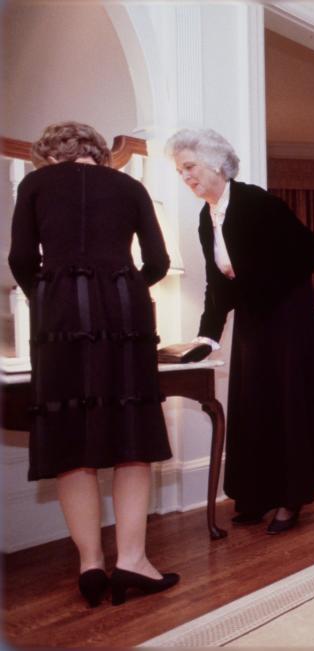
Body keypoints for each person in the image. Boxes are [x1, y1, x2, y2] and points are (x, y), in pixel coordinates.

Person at [8, 121, 178, 606]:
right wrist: (123, 284)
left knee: (69, 435)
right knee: (131, 433)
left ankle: (90, 566)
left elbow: (21, 257)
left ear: (49, 155)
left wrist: (49, 295)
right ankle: (132, 560)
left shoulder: (35, 183)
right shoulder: (129, 185)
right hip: (125, 305)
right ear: (97, 153)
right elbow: (160, 261)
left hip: (60, 309)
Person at [165, 128, 314, 534]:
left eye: (190, 167)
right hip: (252, 318)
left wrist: (258, 285)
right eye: (181, 172)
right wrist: (207, 336)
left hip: (286, 318)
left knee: (285, 403)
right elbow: (218, 281)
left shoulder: (258, 202)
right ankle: (255, 494)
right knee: (253, 403)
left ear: (215, 163)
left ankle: (290, 498)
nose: (187, 177)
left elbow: (308, 251)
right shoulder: (206, 215)